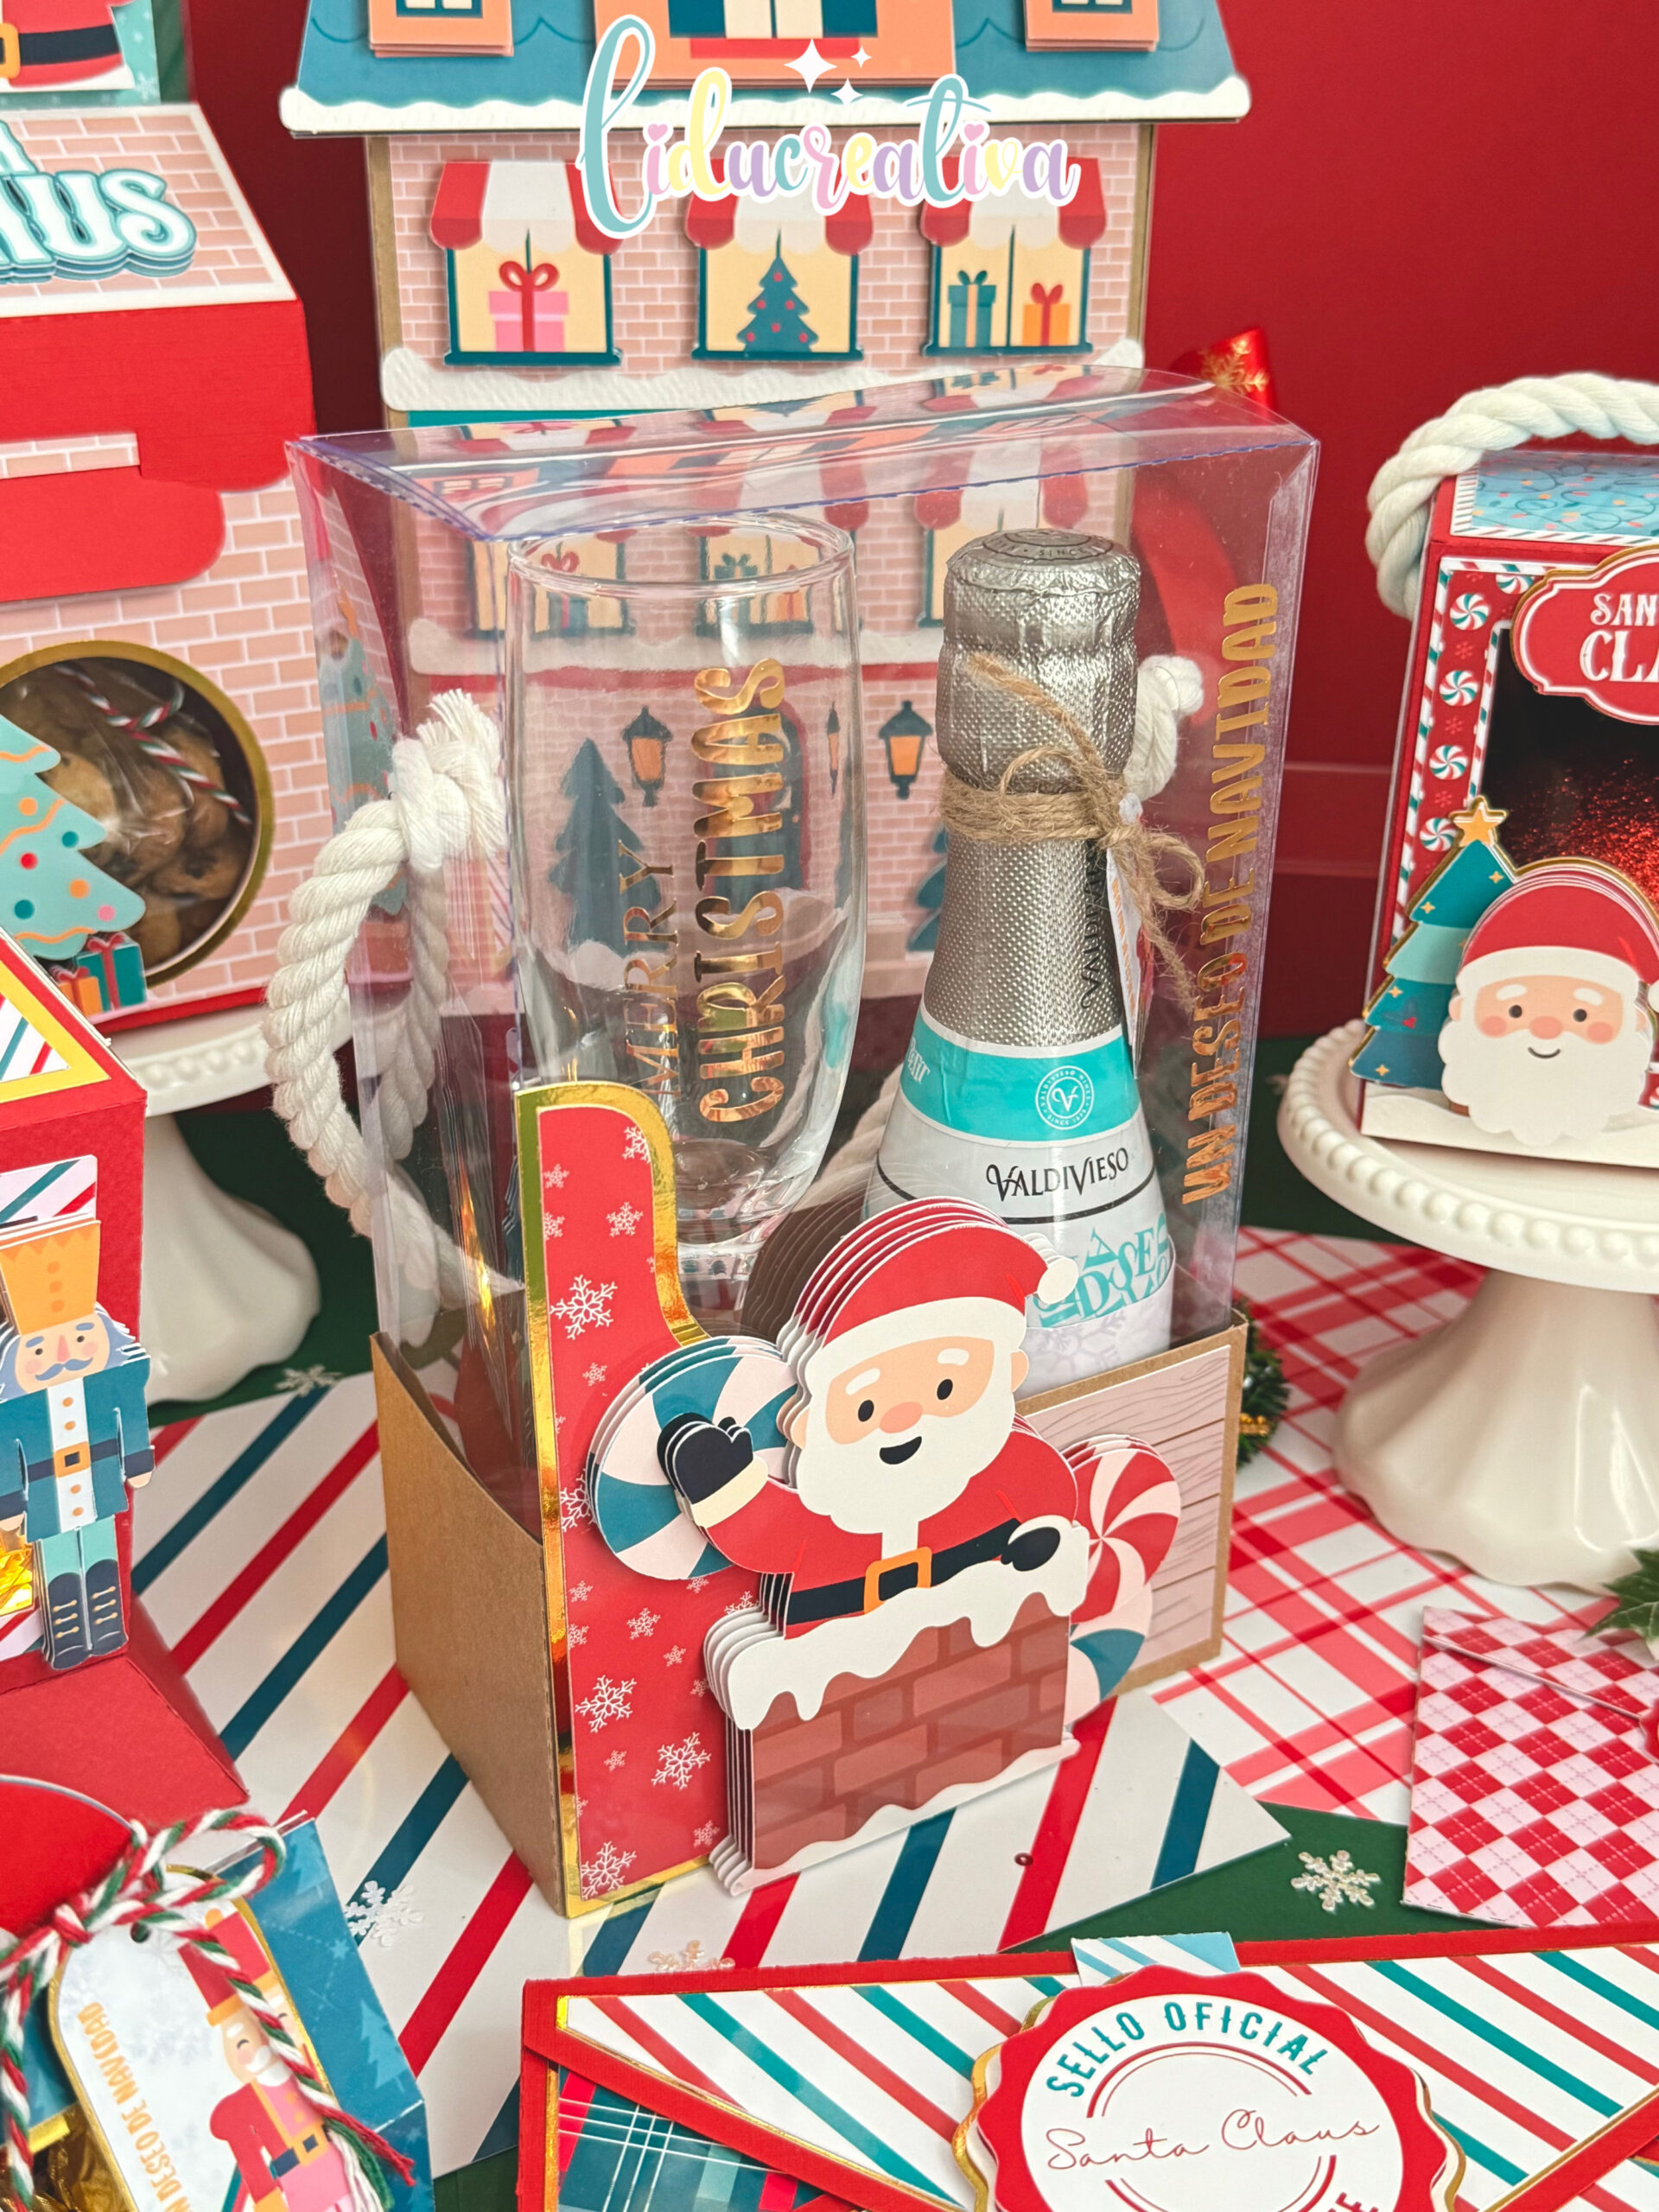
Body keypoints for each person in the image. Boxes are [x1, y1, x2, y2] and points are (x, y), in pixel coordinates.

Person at [0, 1217, 151, 1670]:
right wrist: (11, 1499)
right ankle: (66, 1634)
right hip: (47, 1494)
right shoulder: (17, 1410)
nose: (64, 1354)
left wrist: (137, 1458)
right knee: (61, 1562)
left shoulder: (106, 1387)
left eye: (81, 1338)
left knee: (101, 1554)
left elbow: (129, 1415)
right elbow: (7, 1452)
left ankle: (106, 1624)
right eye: (40, 1350)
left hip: (98, 1478)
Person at [1439, 862, 1659, 1150]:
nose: (1546, 1030)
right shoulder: (1471, 1082)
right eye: (1515, 1011)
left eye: (1581, 1015)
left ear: (1634, 1019)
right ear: (1462, 1010)